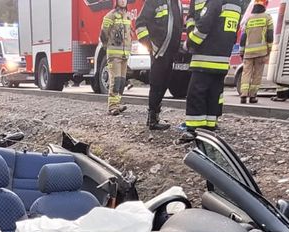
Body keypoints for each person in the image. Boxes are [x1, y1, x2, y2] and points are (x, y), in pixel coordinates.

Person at [180, 0, 240, 142]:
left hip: (205, 59)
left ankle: (193, 130)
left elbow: (203, 27)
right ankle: (208, 129)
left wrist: (189, 42)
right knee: (213, 95)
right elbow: (233, 32)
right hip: (222, 60)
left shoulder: (214, 2)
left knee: (196, 94)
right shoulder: (236, 5)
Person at [137, 0, 184, 129]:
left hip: (171, 52)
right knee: (157, 83)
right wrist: (150, 45)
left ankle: (155, 116)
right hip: (159, 51)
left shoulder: (177, 3)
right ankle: (152, 119)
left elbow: (178, 25)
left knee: (165, 83)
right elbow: (140, 24)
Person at [101, 0, 135, 116]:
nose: (123, 1)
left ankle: (118, 104)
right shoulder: (110, 16)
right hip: (114, 54)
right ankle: (112, 107)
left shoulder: (127, 16)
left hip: (124, 54)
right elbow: (103, 34)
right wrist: (108, 47)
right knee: (115, 81)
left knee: (121, 81)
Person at [237, 2, 273, 103]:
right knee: (257, 74)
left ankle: (243, 95)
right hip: (261, 52)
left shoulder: (249, 19)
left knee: (246, 73)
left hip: (248, 52)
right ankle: (252, 96)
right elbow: (270, 36)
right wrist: (269, 50)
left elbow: (243, 37)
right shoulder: (267, 18)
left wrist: (241, 51)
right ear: (264, 7)